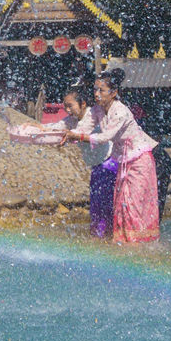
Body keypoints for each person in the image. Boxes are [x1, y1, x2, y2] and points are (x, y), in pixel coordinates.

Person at [67, 69, 158, 244]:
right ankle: (124, 240)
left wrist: (77, 137)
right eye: (95, 90)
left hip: (139, 160)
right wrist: (61, 135)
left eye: (101, 90)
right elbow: (83, 128)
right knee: (122, 204)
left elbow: (105, 137)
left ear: (114, 92)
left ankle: (139, 244)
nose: (96, 94)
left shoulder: (120, 112)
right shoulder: (97, 110)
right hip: (122, 160)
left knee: (134, 205)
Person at [60, 83, 113, 238]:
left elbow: (85, 132)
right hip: (97, 166)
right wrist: (36, 128)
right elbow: (57, 126)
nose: (67, 110)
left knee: (105, 205)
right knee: (96, 205)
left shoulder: (93, 115)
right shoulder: (72, 120)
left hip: (108, 164)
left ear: (83, 104)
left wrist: (72, 135)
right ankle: (99, 237)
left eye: (70, 106)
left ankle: (105, 238)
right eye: (65, 107)